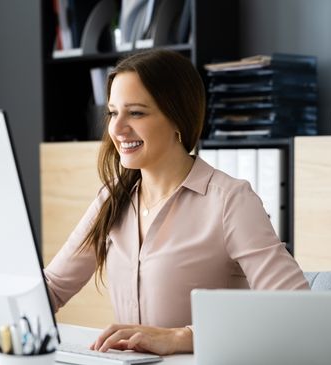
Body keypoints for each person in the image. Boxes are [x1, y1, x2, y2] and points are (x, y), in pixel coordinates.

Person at [43, 49, 309, 356]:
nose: (116, 129)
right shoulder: (112, 198)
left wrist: (181, 337)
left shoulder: (229, 201)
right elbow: (53, 287)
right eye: (114, 112)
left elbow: (295, 306)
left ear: (177, 117)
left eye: (137, 113)